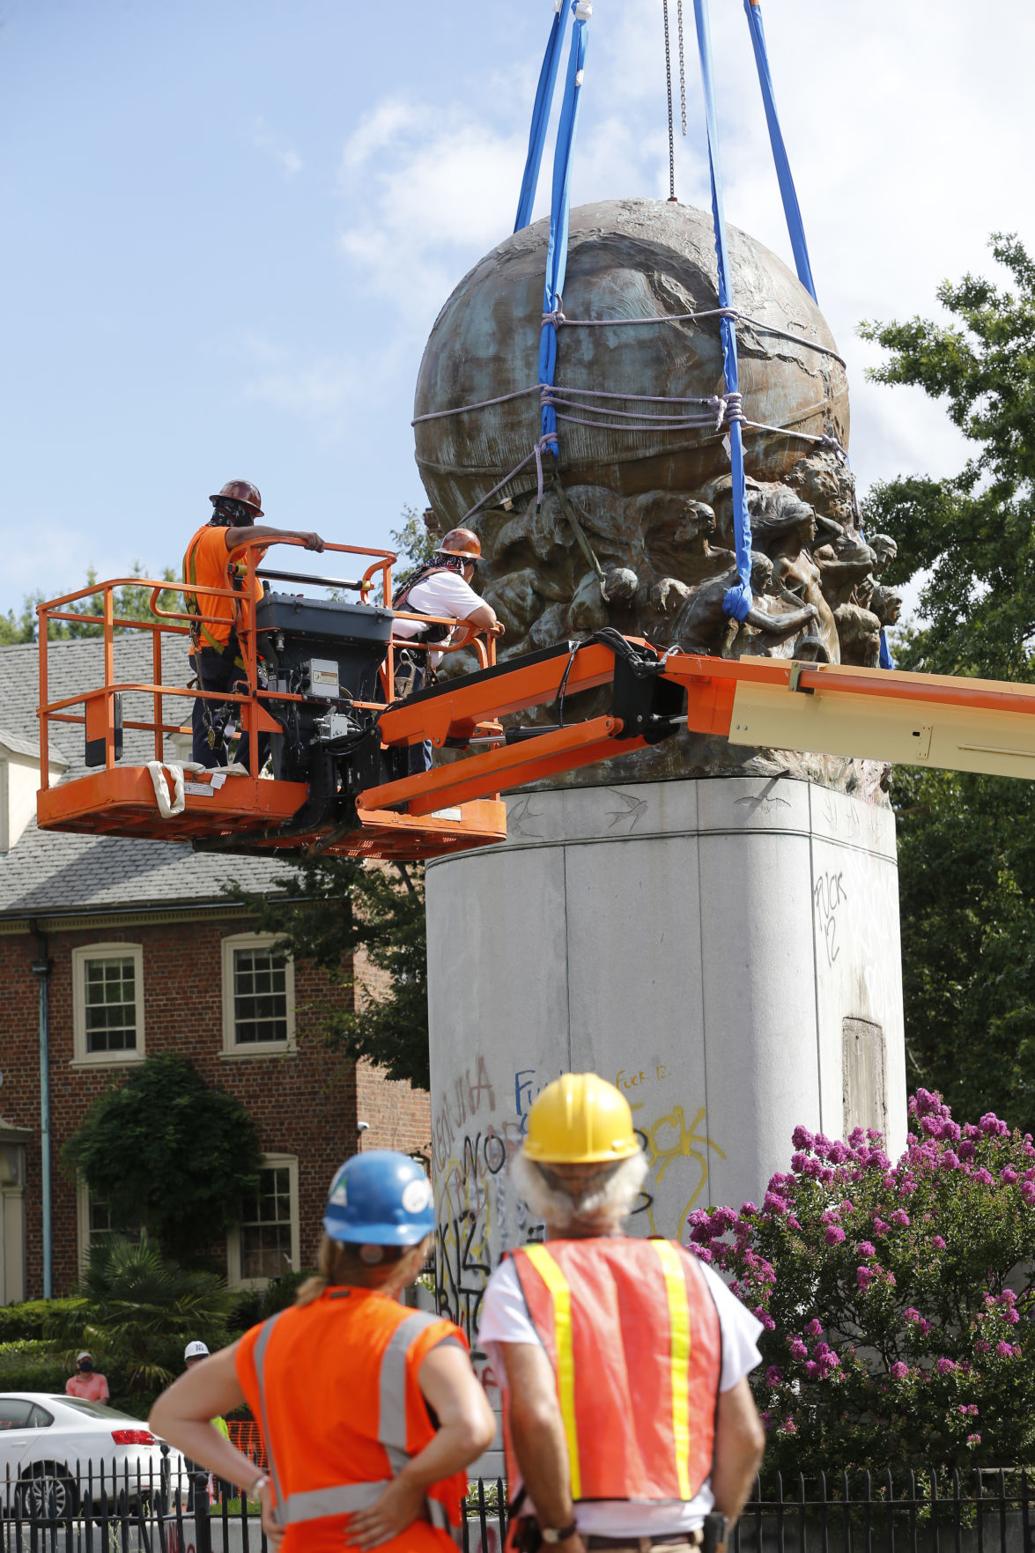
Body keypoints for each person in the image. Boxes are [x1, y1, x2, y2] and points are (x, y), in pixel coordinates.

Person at [150, 1151, 495, 1553]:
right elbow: (473, 1428)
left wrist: (260, 1486)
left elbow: (170, 1415)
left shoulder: (269, 1340)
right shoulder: (421, 1337)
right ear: (416, 1253)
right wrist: (408, 1486)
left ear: (333, 1242)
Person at [478, 1073, 766, 1553]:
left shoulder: (522, 1281)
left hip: (575, 1541)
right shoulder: (690, 1275)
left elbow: (536, 1416)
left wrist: (559, 1533)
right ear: (629, 1174)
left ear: (533, 1176)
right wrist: (711, 1535)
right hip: (679, 1540)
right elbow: (746, 1436)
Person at [182, 480, 326, 770]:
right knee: (269, 703)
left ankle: (219, 771)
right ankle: (240, 769)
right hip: (223, 646)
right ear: (236, 512)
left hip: (220, 645)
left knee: (215, 713)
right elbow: (246, 535)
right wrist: (293, 536)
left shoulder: (227, 559)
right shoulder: (215, 538)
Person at [391, 525, 505, 773]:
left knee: (402, 725)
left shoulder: (425, 578)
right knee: (417, 726)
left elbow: (461, 634)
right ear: (467, 564)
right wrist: (490, 624)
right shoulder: (448, 580)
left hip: (397, 660)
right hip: (407, 661)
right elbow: (488, 615)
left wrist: (474, 624)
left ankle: (404, 782)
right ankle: (419, 786)